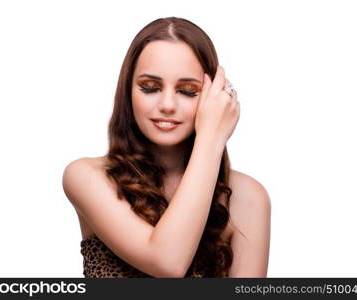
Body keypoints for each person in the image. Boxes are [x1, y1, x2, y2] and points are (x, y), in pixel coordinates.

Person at [62, 16, 271, 278]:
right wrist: (210, 139)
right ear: (128, 93)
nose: (168, 104)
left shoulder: (247, 197)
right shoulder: (87, 177)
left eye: (187, 91)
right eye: (150, 88)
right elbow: (167, 263)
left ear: (212, 97)